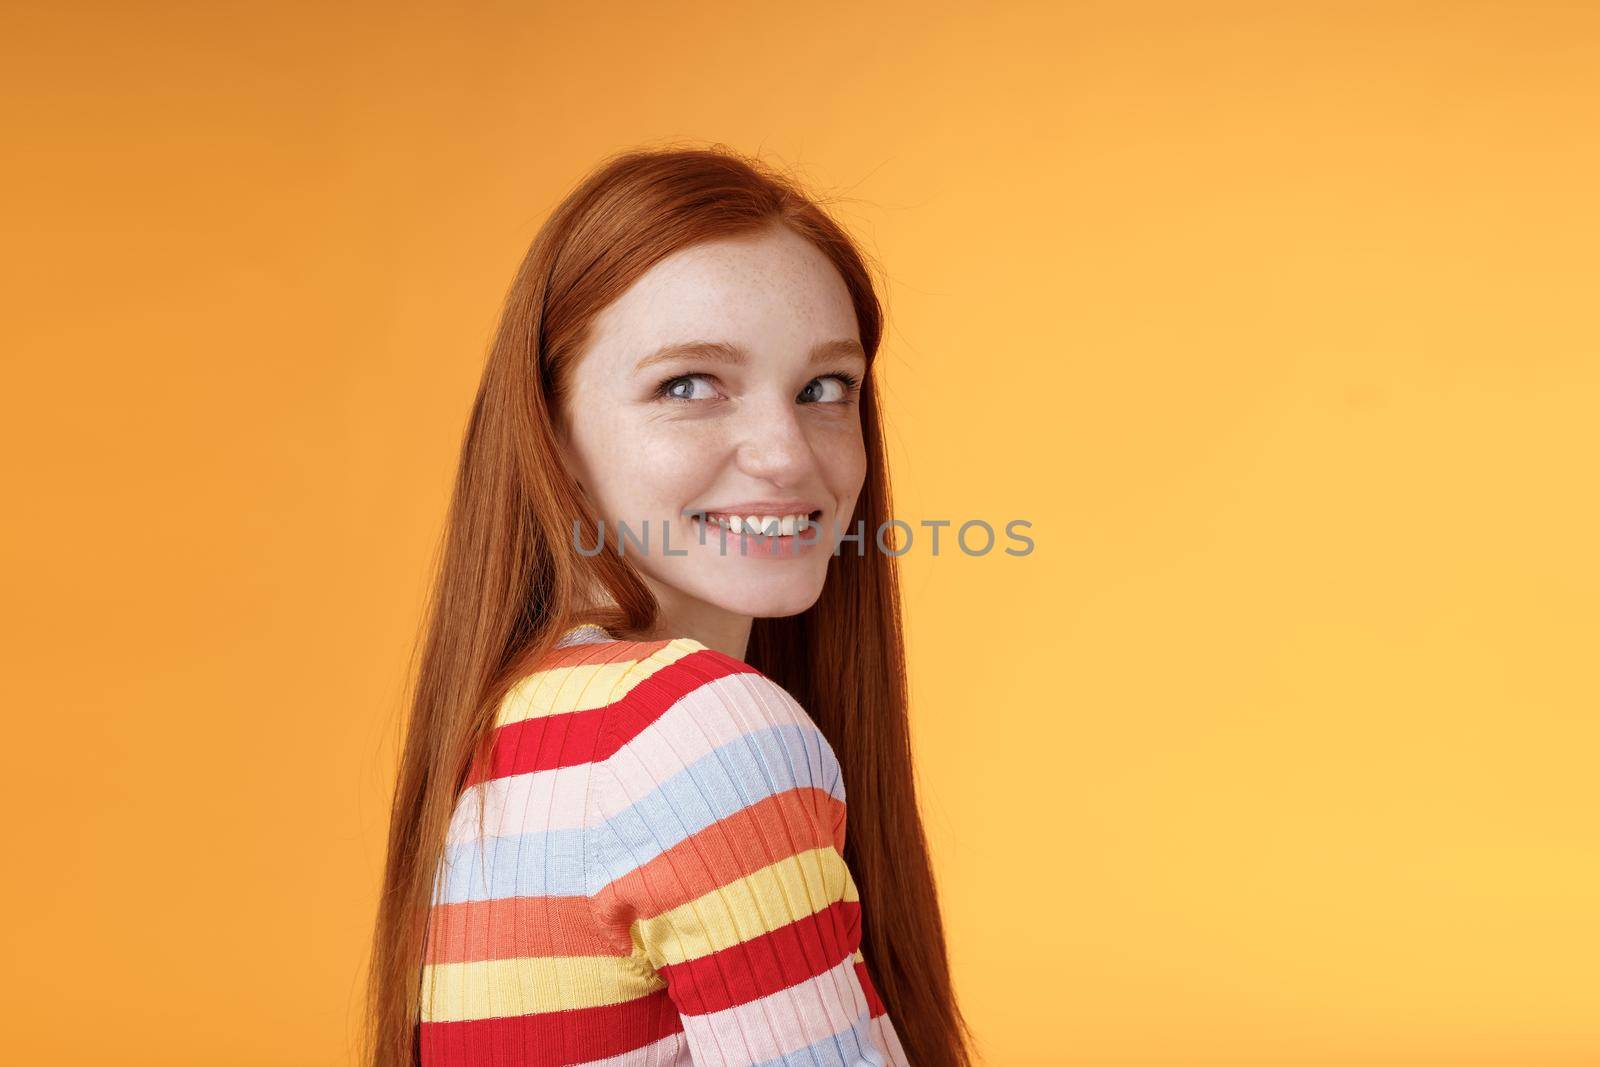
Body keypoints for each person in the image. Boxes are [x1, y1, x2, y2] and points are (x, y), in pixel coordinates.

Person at [365, 145, 974, 1067]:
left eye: (825, 387)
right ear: (552, 432)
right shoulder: (693, 729)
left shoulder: (512, 730)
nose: (784, 453)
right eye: (688, 384)